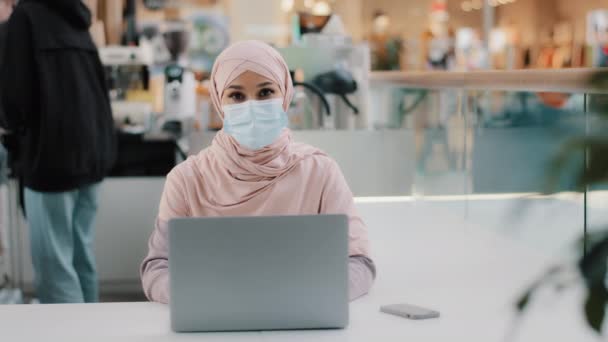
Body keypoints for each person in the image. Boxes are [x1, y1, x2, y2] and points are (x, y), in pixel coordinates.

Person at [141, 40, 376, 303]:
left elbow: (359, 262)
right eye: (237, 96)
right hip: (213, 325)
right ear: (219, 101)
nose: (251, 106)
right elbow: (157, 267)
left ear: (285, 95)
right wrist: (199, 297)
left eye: (265, 93)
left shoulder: (319, 172)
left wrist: (313, 295)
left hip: (301, 323)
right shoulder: (186, 180)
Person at [0, 0, 116, 303]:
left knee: (55, 267)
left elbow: (13, 99)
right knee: (80, 256)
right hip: (93, 155)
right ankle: (88, 332)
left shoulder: (25, 17)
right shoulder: (76, 16)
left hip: (50, 159)